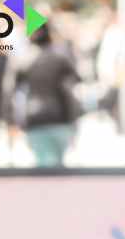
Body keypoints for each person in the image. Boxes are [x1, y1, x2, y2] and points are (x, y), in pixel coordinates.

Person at [12, 22, 80, 166]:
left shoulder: (26, 60)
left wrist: (12, 121)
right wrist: (74, 120)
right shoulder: (61, 58)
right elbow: (70, 90)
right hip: (59, 119)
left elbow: (13, 93)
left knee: (44, 167)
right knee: (56, 167)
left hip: (35, 120)